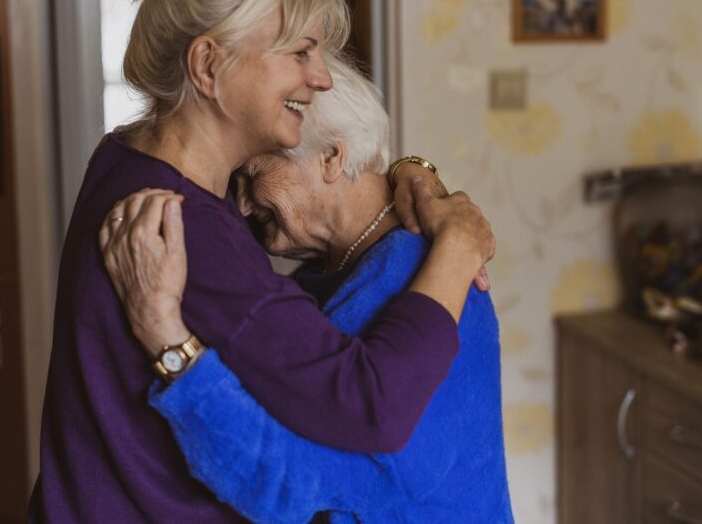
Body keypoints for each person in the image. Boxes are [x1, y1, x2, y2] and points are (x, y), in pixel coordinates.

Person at [28, 0, 494, 522]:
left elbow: (332, 197)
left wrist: (409, 169)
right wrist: (457, 246)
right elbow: (370, 405)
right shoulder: (188, 231)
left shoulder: (126, 156)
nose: (320, 77)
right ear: (208, 66)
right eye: (299, 52)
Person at [101, 61, 514, 523]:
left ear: (332, 158)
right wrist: (410, 168)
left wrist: (165, 338)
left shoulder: (428, 281)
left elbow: (286, 486)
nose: (241, 205)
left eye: (254, 173)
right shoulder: (332, 270)